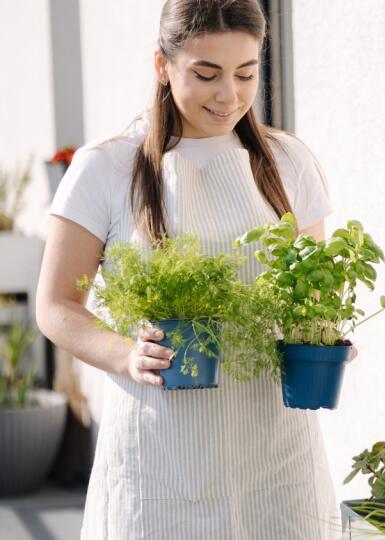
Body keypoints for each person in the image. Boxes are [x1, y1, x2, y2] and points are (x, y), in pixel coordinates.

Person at [36, 1, 339, 537]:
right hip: (158, 454)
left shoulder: (289, 161)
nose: (230, 96)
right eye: (206, 74)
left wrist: (322, 335)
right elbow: (56, 305)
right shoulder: (106, 167)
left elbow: (312, 291)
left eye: (246, 73)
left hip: (276, 451)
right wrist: (126, 355)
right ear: (162, 66)